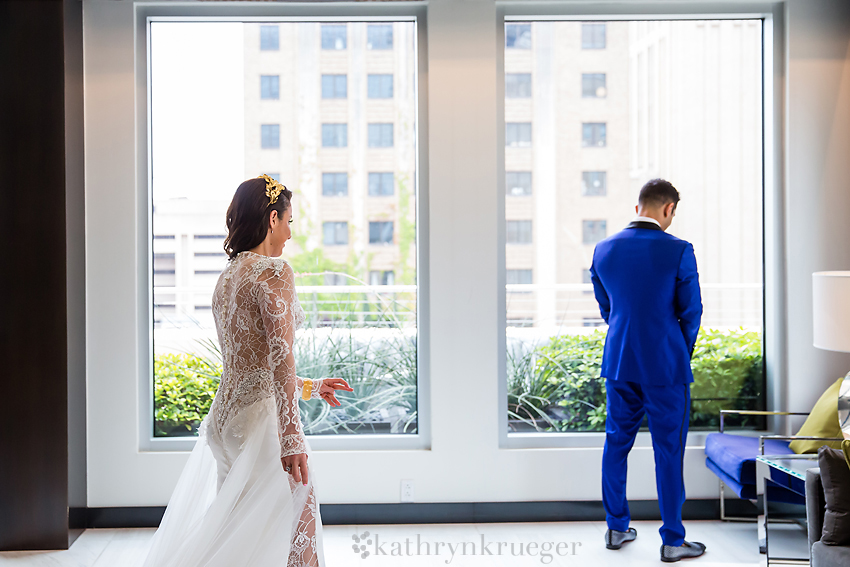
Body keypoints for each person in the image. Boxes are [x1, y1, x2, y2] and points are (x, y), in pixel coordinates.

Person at [142, 175, 353, 567]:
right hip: (261, 426)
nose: (290, 234)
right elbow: (279, 357)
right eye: (289, 221)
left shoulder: (226, 279)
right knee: (299, 519)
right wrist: (291, 437)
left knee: (240, 534)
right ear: (272, 219)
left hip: (224, 424)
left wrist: (312, 386)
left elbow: (249, 363)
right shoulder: (274, 273)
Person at [589, 178, 704, 563]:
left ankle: (617, 527)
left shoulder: (603, 249)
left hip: (620, 360)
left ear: (639, 206)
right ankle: (673, 539)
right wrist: (677, 349)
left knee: (616, 441)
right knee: (668, 450)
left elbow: (608, 309)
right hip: (665, 366)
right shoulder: (679, 250)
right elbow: (691, 312)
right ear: (669, 209)